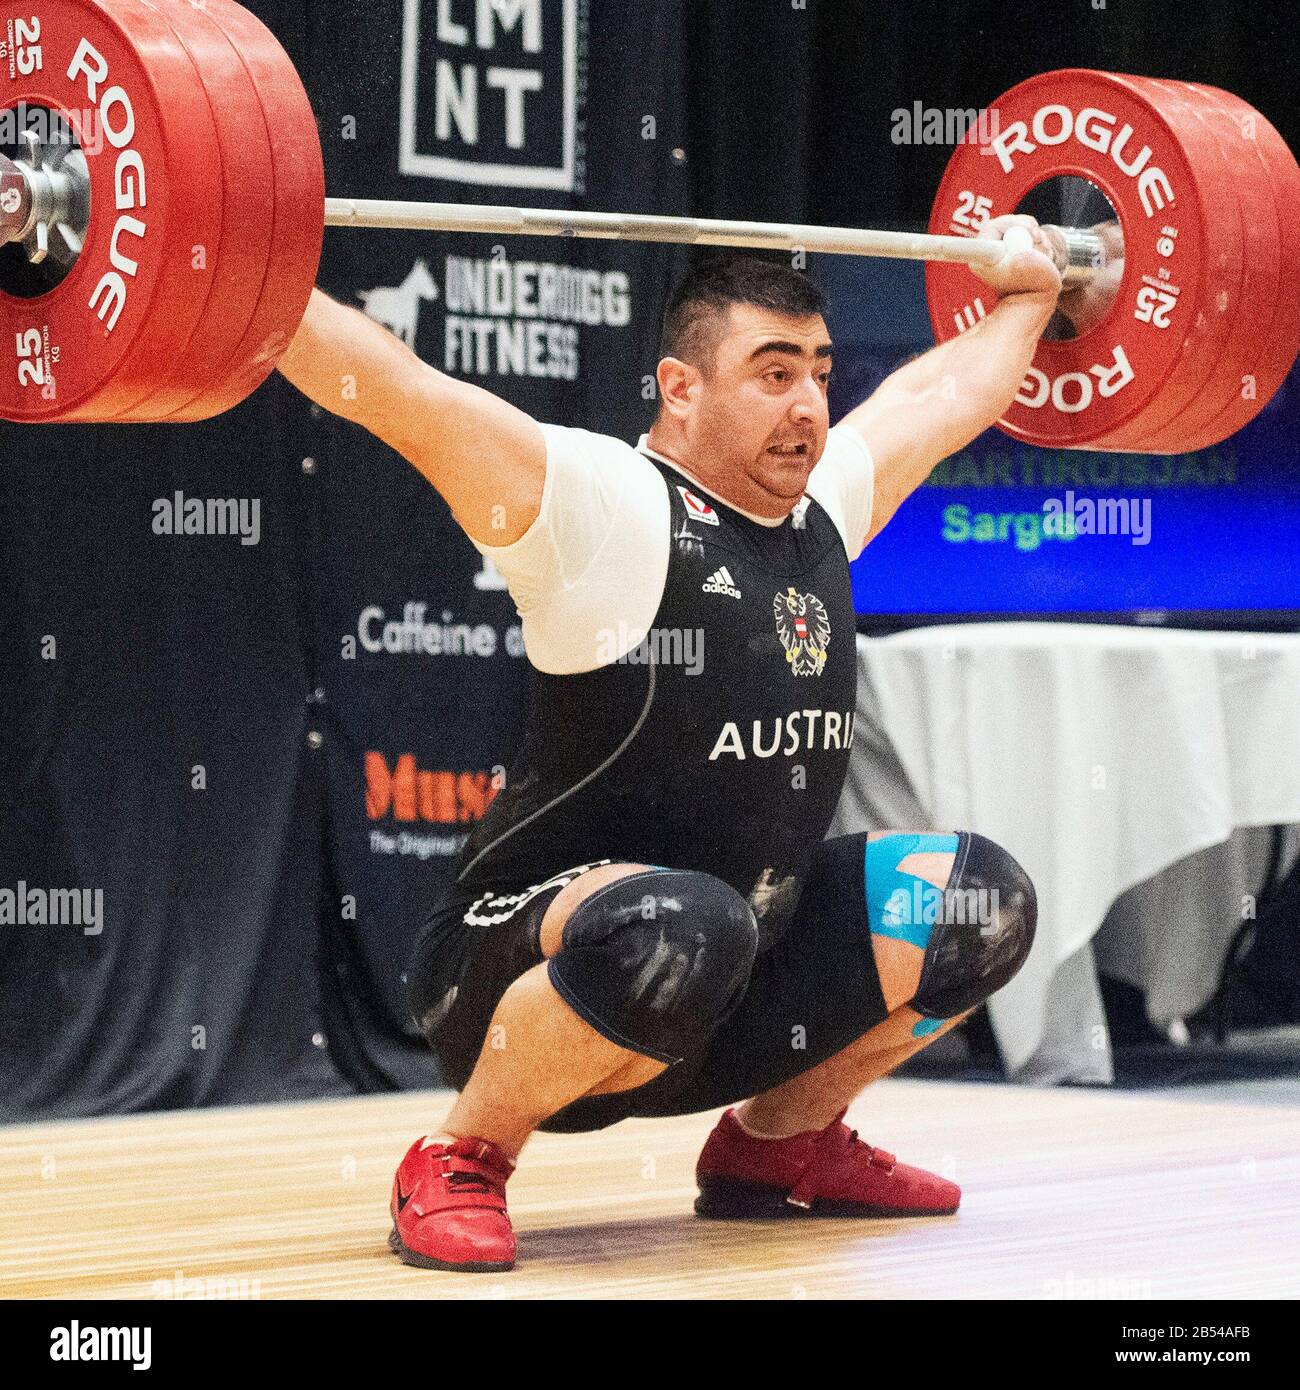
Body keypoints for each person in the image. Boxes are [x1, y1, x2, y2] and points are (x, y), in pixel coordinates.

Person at [278, 214, 1063, 1273]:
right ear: (679, 388)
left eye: (820, 373)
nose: (807, 407)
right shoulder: (603, 505)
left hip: (728, 981)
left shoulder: (822, 505)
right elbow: (399, 392)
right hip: (517, 973)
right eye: (771, 371)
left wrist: (1035, 293)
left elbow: (939, 396)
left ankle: (778, 1146)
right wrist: (225, 269)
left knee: (981, 900)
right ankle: (460, 1153)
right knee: (688, 919)